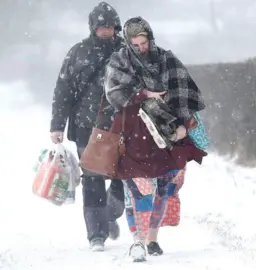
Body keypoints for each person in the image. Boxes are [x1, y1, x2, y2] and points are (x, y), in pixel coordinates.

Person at [102, 16, 208, 262]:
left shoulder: (167, 59)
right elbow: (113, 93)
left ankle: (152, 238)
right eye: (136, 44)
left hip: (167, 132)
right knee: (135, 188)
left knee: (165, 187)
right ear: (128, 42)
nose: (142, 48)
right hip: (133, 132)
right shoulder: (119, 61)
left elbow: (184, 92)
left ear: (151, 38)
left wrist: (182, 125)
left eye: (145, 42)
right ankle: (137, 241)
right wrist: (143, 94)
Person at [49, 2, 126, 251]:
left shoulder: (127, 52)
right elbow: (63, 91)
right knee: (93, 179)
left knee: (120, 175)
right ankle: (96, 234)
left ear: (116, 27)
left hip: (120, 125)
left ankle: (110, 214)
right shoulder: (78, 52)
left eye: (110, 26)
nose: (106, 31)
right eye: (101, 26)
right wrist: (57, 125)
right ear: (93, 27)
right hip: (86, 127)